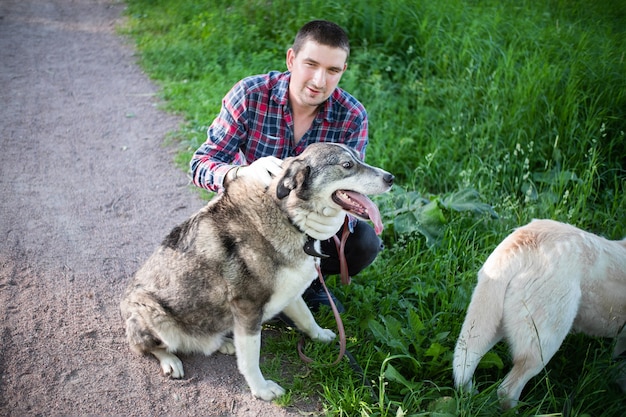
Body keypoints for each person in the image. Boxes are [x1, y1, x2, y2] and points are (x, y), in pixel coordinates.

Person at [190, 20, 383, 312]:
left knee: (363, 243)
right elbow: (201, 163)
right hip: (255, 216)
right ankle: (249, 286)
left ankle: (308, 280)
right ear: (291, 59)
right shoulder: (250, 95)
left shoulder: (351, 115)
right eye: (311, 64)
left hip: (311, 219)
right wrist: (240, 173)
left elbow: (349, 182)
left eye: (332, 70)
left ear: (342, 71)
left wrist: (341, 213)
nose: (319, 81)